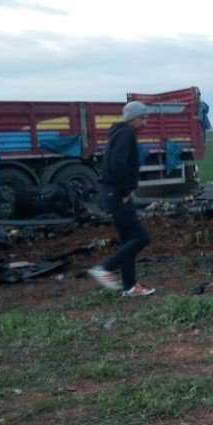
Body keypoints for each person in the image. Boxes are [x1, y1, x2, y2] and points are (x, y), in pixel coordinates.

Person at [88, 101, 156, 297]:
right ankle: (105, 268)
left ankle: (130, 287)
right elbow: (118, 164)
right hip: (117, 194)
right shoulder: (126, 133)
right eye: (142, 118)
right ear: (132, 118)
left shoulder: (119, 133)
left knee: (127, 239)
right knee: (142, 237)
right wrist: (125, 191)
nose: (145, 122)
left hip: (112, 193)